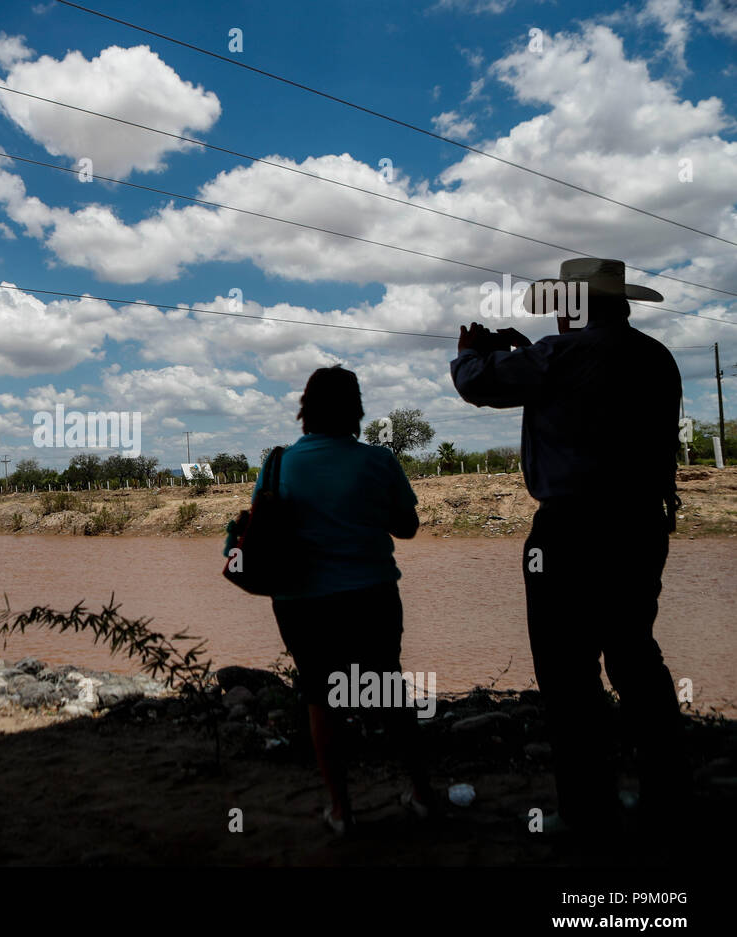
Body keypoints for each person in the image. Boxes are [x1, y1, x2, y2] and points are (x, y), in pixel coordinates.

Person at [450, 257, 690, 836]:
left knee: (568, 673)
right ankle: (666, 798)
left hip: (572, 533)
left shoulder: (558, 357)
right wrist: (523, 351)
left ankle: (588, 810)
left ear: (575, 308)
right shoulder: (656, 357)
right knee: (635, 657)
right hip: (641, 527)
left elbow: (477, 383)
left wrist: (470, 352)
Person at [256, 365, 433, 835]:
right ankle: (422, 794)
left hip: (302, 604)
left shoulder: (278, 464)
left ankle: (341, 810)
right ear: (356, 410)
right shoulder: (377, 461)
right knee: (388, 690)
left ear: (304, 410)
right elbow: (408, 527)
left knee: (322, 699)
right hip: (371, 597)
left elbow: (260, 533)